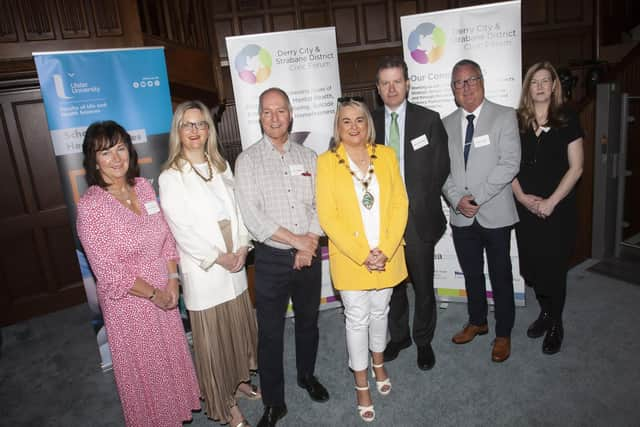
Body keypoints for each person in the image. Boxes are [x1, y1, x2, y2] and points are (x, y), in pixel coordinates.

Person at [76, 120, 200, 426]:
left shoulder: (143, 188)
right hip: (131, 307)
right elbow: (109, 274)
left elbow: (166, 238)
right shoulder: (92, 207)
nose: (116, 159)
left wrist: (173, 282)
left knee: (169, 364)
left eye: (120, 149)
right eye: (105, 153)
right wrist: (155, 294)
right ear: (93, 160)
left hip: (165, 293)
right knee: (149, 375)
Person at [158, 101, 260, 427]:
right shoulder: (171, 177)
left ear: (209, 129)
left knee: (237, 330)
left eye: (201, 124)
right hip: (207, 269)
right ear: (178, 131)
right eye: (188, 125)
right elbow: (181, 231)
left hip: (236, 261)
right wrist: (221, 257)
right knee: (215, 342)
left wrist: (243, 247)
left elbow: (240, 210)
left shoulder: (221, 165)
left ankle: (240, 381)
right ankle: (225, 403)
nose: (195, 131)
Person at [234, 87, 329, 427]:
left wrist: (310, 242)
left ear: (290, 114)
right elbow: (254, 218)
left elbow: (322, 204)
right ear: (259, 117)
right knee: (270, 333)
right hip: (272, 260)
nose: (274, 118)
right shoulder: (246, 161)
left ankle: (307, 376)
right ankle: (275, 403)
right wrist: (297, 243)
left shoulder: (310, 157)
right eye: (266, 112)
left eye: (280, 111)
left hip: (308, 257)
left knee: (308, 322)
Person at [317, 98, 408, 422]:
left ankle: (379, 363)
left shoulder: (385, 155)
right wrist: (362, 255)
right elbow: (328, 216)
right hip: (352, 259)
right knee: (356, 318)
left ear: (368, 123)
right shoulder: (326, 162)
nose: (354, 126)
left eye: (359, 119)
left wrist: (384, 247)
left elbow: (400, 203)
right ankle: (360, 383)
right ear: (337, 127)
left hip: (387, 254)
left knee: (381, 310)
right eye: (346, 121)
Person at [372, 57, 450, 370]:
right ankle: (400, 336)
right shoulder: (368, 122)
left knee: (422, 282)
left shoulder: (429, 120)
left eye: (397, 81)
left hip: (417, 218)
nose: (392, 88)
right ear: (378, 89)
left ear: (407, 84)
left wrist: (415, 199)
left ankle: (423, 340)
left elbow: (441, 166)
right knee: (392, 283)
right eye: (385, 83)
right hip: (381, 221)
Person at [441, 59, 521, 363]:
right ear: (453, 89)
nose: (465, 88)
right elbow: (442, 170)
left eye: (470, 80)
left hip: (495, 213)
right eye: (458, 83)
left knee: (500, 276)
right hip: (461, 215)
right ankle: (478, 321)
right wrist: (456, 198)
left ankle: (503, 333)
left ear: (482, 81)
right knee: (472, 274)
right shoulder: (446, 124)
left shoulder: (504, 116)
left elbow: (509, 163)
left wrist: (476, 198)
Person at [512, 62, 584, 355]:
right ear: (528, 87)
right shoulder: (517, 120)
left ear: (554, 86)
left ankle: (555, 323)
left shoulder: (567, 118)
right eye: (534, 82)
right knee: (532, 269)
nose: (540, 86)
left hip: (558, 210)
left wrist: (551, 202)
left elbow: (577, 168)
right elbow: (507, 163)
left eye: (546, 81)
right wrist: (521, 197)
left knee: (554, 270)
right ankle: (544, 312)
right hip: (526, 209)